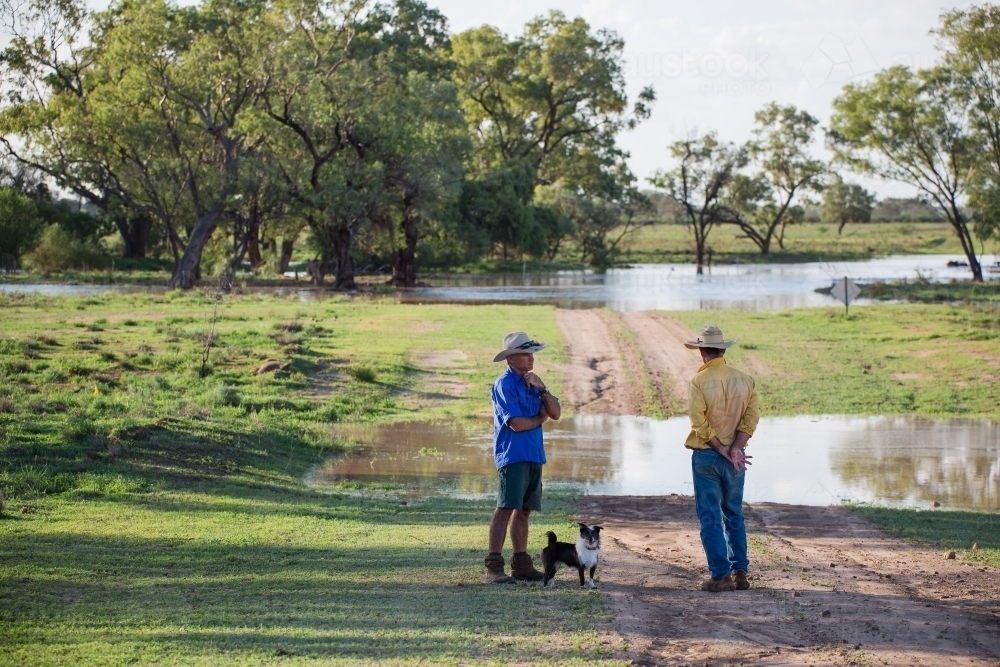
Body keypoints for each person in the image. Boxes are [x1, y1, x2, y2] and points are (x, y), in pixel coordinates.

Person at [683, 324, 759, 593]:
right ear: (722, 350)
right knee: (734, 514)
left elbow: (699, 423)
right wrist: (736, 448)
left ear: (702, 351)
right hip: (736, 460)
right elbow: (751, 418)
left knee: (710, 517)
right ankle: (740, 572)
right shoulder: (745, 379)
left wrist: (720, 448)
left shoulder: (698, 382)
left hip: (707, 456)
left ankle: (720, 574)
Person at [484, 331, 562, 584]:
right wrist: (539, 419)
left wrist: (544, 389)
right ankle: (494, 566)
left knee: (525, 510)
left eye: (531, 354)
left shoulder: (534, 382)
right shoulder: (504, 384)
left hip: (533, 454)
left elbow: (556, 413)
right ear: (511, 359)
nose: (531, 359)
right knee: (505, 507)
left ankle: (521, 564)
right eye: (525, 355)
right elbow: (516, 424)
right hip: (513, 454)